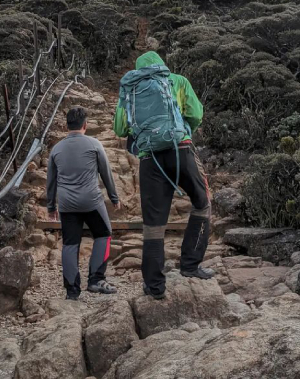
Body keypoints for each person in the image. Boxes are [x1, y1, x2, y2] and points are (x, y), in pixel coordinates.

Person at [113, 51, 213, 300]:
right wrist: (184, 129)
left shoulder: (131, 88)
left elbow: (119, 128)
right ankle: (190, 265)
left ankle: (155, 286)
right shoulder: (177, 81)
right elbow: (196, 114)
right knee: (202, 203)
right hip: (181, 151)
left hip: (150, 159)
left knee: (153, 225)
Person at [46, 106, 122, 300]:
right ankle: (96, 280)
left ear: (66, 125)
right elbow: (106, 173)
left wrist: (51, 207)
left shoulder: (56, 149)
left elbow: (51, 182)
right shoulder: (94, 144)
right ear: (85, 125)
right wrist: (114, 198)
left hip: (66, 204)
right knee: (104, 234)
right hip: (91, 201)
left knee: (70, 243)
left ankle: (72, 289)